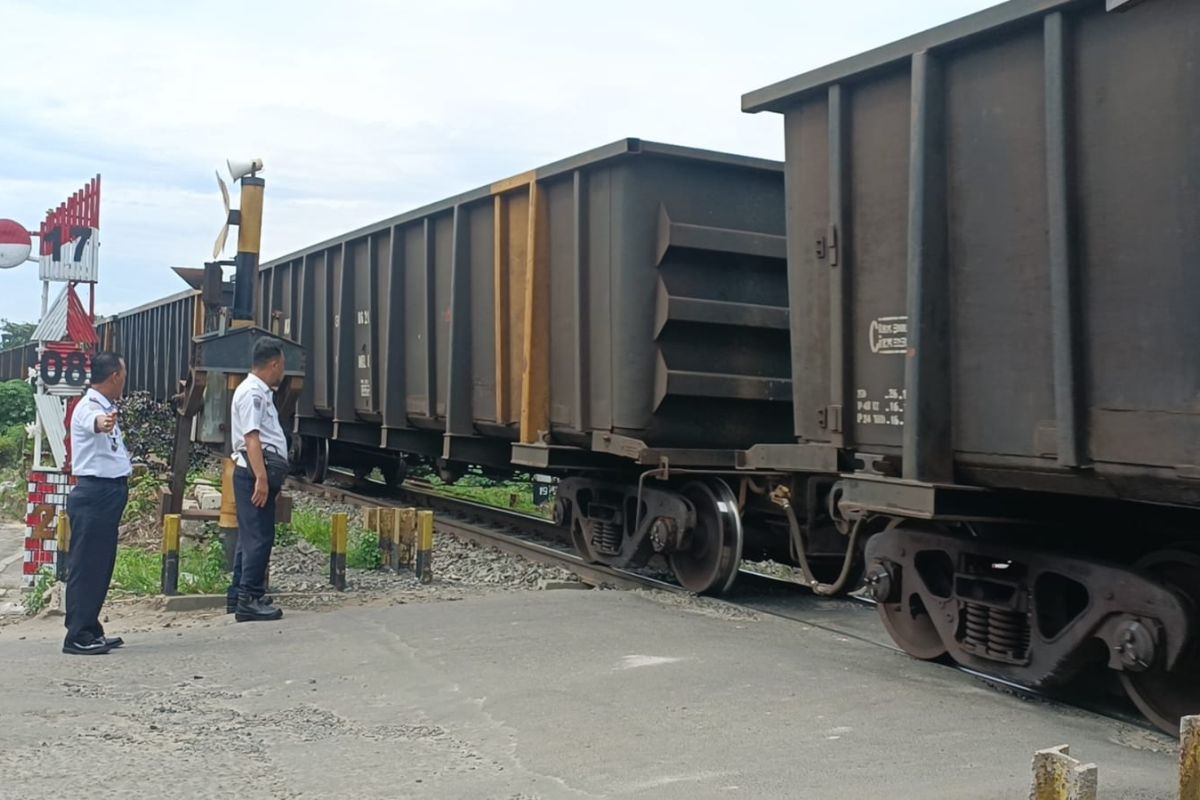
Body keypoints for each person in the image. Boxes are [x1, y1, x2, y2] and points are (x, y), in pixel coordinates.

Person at [63, 352, 132, 655]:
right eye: (124, 375)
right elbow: (95, 422)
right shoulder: (89, 407)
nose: (124, 381)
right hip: (94, 494)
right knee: (87, 564)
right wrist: (103, 423)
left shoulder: (106, 405)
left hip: (107, 494)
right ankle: (77, 634)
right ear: (115, 376)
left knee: (100, 564)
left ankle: (90, 627)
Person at [228, 337, 288, 622]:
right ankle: (248, 601)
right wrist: (262, 480)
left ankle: (239, 594)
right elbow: (251, 438)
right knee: (259, 538)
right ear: (274, 364)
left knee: (249, 537)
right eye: (282, 365)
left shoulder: (259, 391)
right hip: (252, 474)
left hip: (253, 473)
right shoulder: (252, 393)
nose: (283, 372)